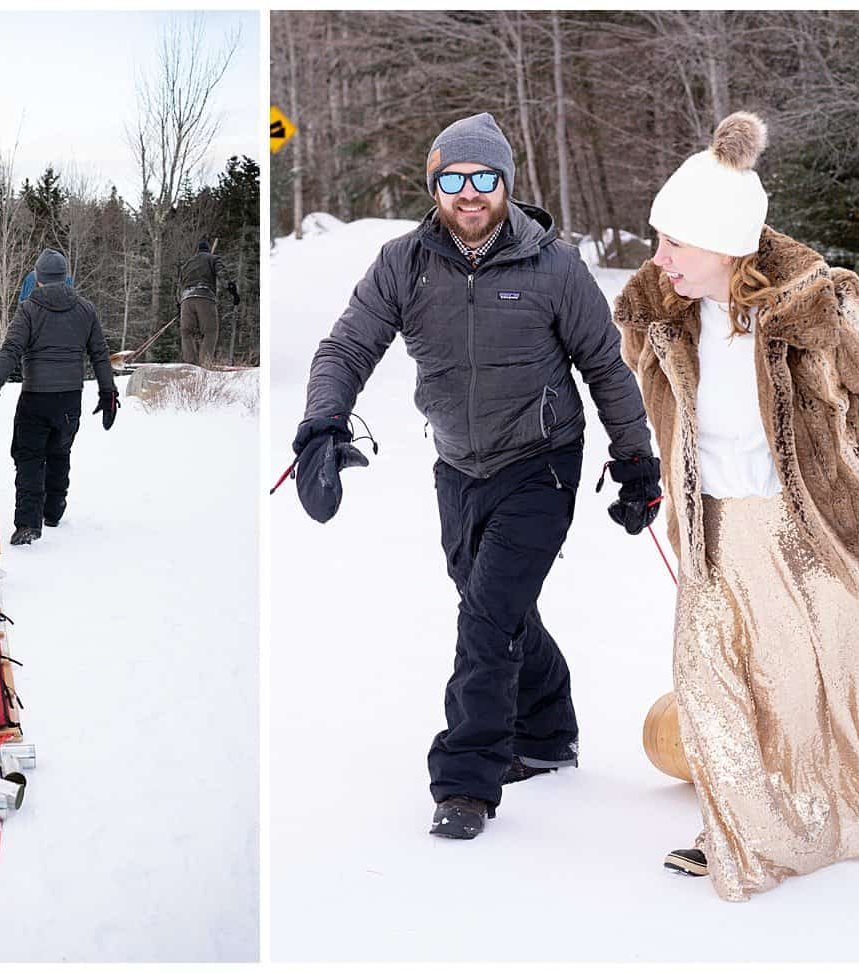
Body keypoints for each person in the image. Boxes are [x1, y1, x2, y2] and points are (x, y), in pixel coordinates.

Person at [294, 112, 662, 840]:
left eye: (484, 178)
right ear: (435, 185)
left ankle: (467, 779)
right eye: (454, 179)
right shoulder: (404, 261)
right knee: (495, 604)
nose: (469, 194)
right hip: (458, 463)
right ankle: (549, 731)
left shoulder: (552, 264)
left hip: (543, 461)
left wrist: (635, 459)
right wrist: (321, 426)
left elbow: (605, 367)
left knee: (486, 618)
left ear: (505, 185)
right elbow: (346, 346)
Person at [613, 112, 859, 901]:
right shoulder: (664, 312)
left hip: (807, 532)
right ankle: (739, 828)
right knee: (710, 679)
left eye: (674, 242)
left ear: (724, 244)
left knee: (799, 691)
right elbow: (646, 385)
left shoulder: (810, 305)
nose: (659, 258)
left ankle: (826, 820)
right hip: (713, 528)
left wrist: (838, 438)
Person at [0, 247, 118, 546]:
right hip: (69, 399)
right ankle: (53, 510)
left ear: (37, 278)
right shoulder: (85, 309)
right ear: (64, 277)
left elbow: (10, 351)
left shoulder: (28, 310)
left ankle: (28, 522)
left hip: (36, 398)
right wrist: (108, 392)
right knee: (59, 452)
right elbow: (100, 354)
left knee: (29, 457)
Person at [177, 238, 240, 368]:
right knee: (210, 332)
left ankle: (190, 366)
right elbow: (222, 275)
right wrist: (232, 291)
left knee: (186, 333)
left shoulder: (187, 264)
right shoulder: (213, 259)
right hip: (204, 297)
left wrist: (179, 305)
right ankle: (204, 366)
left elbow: (179, 286)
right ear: (207, 249)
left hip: (186, 299)